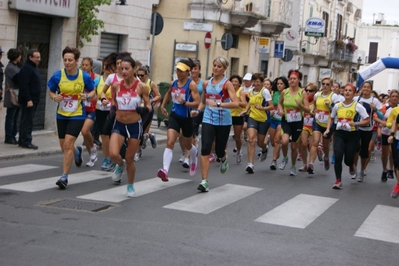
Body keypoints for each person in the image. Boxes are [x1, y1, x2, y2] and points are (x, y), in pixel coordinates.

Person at [47, 46, 95, 189]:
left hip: (77, 115)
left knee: (68, 144)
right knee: (64, 146)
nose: (67, 63)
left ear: (76, 61)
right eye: (65, 60)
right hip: (62, 114)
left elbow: (93, 92)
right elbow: (50, 91)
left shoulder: (83, 76)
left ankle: (64, 177)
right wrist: (54, 97)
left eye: (70, 60)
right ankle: (78, 151)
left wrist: (86, 96)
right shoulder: (58, 75)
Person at [192, 56, 239, 192]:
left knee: (219, 151)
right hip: (208, 119)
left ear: (224, 69)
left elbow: (235, 103)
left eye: (219, 66)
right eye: (214, 65)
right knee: (205, 148)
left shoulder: (227, 84)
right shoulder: (206, 84)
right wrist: (198, 110)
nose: (216, 68)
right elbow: (203, 101)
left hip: (223, 121)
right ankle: (204, 181)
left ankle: (223, 158)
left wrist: (219, 103)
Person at [108, 56, 152, 197]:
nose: (124, 71)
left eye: (127, 68)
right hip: (119, 124)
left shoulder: (142, 87)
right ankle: (120, 166)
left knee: (130, 158)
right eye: (121, 68)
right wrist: (113, 109)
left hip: (134, 125)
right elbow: (114, 101)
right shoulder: (116, 86)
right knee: (114, 154)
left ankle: (130, 185)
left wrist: (144, 109)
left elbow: (149, 106)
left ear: (134, 69)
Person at [157, 58, 200, 181]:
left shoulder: (191, 85)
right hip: (174, 116)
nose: (178, 73)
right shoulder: (173, 83)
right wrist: (163, 105)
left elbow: (197, 103)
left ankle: (193, 159)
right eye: (177, 70)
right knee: (170, 142)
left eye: (181, 71)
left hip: (187, 118)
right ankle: (165, 170)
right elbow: (168, 93)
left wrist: (185, 102)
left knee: (188, 145)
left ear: (187, 72)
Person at [324, 84, 369, 189]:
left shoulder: (357, 106)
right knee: (338, 156)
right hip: (339, 133)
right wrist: (327, 129)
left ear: (354, 94)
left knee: (348, 159)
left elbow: (367, 120)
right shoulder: (337, 105)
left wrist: (356, 124)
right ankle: (338, 180)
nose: (347, 92)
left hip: (353, 135)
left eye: (350, 91)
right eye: (346, 90)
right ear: (343, 92)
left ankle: (351, 165)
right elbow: (331, 117)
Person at [277, 69, 309, 176]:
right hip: (286, 120)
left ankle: (293, 166)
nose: (292, 81)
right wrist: (280, 110)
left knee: (294, 146)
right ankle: (285, 158)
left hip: (297, 122)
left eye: (294, 79)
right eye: (290, 79)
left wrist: (300, 105)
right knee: (285, 141)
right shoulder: (284, 92)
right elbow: (279, 103)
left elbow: (307, 109)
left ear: (298, 80)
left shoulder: (302, 93)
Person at [307, 77, 341, 174]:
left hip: (328, 124)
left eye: (327, 84)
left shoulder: (334, 96)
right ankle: (311, 164)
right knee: (315, 142)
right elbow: (314, 104)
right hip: (317, 121)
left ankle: (326, 157)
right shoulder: (317, 95)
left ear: (331, 86)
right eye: (323, 84)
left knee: (326, 145)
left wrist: (329, 106)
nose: (325, 86)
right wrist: (312, 109)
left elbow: (336, 110)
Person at [241, 73, 273, 173]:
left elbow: (271, 106)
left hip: (263, 119)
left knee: (260, 142)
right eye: (254, 81)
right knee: (251, 139)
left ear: (262, 82)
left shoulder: (265, 92)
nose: (256, 83)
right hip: (252, 117)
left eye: (258, 82)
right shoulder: (250, 92)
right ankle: (250, 164)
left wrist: (262, 108)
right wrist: (246, 111)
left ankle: (264, 148)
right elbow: (250, 104)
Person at [352, 81, 382, 182]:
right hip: (356, 127)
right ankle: (355, 169)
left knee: (365, 151)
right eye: (364, 87)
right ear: (361, 88)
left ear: (371, 89)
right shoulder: (356, 99)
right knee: (355, 149)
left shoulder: (375, 100)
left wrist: (375, 109)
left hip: (368, 128)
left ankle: (362, 170)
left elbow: (381, 115)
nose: (366, 89)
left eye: (368, 87)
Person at [96, 53, 118, 171]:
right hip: (100, 110)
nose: (106, 68)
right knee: (104, 135)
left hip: (114, 110)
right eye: (105, 66)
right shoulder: (100, 79)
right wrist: (102, 99)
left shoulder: (117, 78)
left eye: (109, 66)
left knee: (112, 135)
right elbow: (99, 93)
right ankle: (106, 158)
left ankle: (114, 158)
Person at [18, 49, 42, 150]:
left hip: (33, 99)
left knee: (28, 120)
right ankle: (25, 141)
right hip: (29, 100)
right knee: (27, 121)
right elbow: (24, 85)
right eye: (36, 57)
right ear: (30, 57)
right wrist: (28, 99)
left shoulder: (32, 68)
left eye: (39, 57)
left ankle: (24, 140)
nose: (39, 59)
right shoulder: (27, 69)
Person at [136, 65, 160, 159]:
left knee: (141, 130)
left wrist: (151, 101)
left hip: (147, 110)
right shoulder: (135, 83)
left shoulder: (150, 83)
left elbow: (158, 96)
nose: (140, 77)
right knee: (137, 130)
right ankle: (150, 135)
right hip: (138, 110)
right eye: (138, 75)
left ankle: (137, 151)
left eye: (142, 75)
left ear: (147, 75)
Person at [374, 90, 399, 181]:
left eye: (396, 96)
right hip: (385, 132)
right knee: (385, 154)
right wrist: (382, 122)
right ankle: (384, 170)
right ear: (390, 97)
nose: (395, 98)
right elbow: (375, 116)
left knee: (392, 152)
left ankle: (391, 169)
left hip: (395, 134)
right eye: (393, 96)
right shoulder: (385, 107)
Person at [80, 57, 99, 167]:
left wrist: (89, 97)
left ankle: (93, 148)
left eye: (87, 65)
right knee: (84, 134)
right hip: (80, 109)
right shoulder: (78, 77)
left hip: (91, 109)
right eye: (83, 65)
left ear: (91, 66)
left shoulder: (95, 78)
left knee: (85, 130)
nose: (84, 67)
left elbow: (96, 94)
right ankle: (91, 155)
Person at [3, 48, 22, 145]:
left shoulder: (15, 66)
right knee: (11, 117)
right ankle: (9, 137)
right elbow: (19, 78)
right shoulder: (11, 67)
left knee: (15, 117)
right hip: (12, 95)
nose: (20, 57)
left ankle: (13, 135)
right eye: (19, 55)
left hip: (16, 94)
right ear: (16, 56)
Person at [269, 76, 288, 170]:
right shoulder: (274, 93)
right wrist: (271, 110)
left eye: (281, 84)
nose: (279, 85)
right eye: (278, 84)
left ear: (285, 85)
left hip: (282, 121)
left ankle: (274, 160)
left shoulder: (288, 94)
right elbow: (270, 105)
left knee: (277, 140)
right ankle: (277, 151)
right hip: (273, 119)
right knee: (272, 142)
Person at [298, 83, 316, 172]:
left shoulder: (316, 102)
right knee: (303, 144)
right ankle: (304, 164)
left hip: (313, 126)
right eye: (306, 90)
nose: (308, 92)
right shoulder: (303, 101)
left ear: (314, 92)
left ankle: (311, 164)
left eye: (310, 91)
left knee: (312, 146)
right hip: (305, 125)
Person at [229, 74, 246, 164]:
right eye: (232, 81)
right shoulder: (228, 91)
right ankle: (223, 153)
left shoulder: (241, 92)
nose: (234, 83)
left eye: (236, 81)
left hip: (238, 115)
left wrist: (235, 103)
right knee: (224, 136)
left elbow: (244, 104)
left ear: (239, 83)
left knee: (237, 137)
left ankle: (239, 151)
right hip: (228, 115)